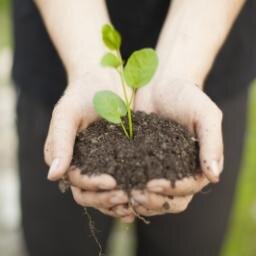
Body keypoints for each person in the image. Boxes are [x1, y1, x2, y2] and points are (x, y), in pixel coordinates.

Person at [12, 0, 256, 255]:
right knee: (61, 244)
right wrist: (89, 64)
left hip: (206, 45)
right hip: (61, 41)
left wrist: (181, 69)